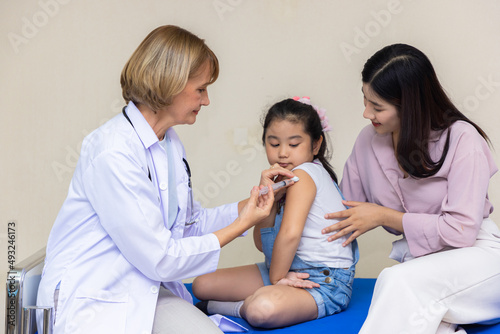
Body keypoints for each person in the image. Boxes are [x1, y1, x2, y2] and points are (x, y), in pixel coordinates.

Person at [36, 25, 294, 334]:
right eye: (200, 89)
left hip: (142, 289)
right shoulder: (113, 151)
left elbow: (188, 225)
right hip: (94, 299)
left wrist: (259, 202)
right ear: (169, 84)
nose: (207, 100)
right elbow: (160, 258)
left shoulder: (168, 143)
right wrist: (241, 225)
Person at [323, 43, 500, 333]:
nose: (367, 113)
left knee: (396, 280)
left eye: (377, 106)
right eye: (365, 100)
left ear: (410, 105)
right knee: (428, 318)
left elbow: (461, 231)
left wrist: (383, 216)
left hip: (480, 262)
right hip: (425, 271)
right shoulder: (368, 141)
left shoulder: (463, 140)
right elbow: (342, 211)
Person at [192, 97, 358, 328]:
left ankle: (226, 308)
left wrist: (277, 280)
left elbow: (290, 234)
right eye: (274, 143)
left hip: (323, 281)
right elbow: (262, 244)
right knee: (202, 285)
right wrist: (267, 196)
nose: (282, 154)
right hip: (283, 269)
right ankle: (243, 301)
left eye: (293, 144)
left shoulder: (306, 173)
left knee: (262, 309)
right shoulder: (282, 181)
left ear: (316, 145)